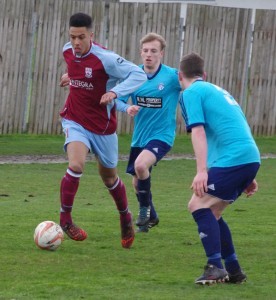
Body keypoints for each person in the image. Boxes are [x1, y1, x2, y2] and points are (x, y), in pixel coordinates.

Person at [58, 12, 147, 249]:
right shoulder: (67, 50)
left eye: (81, 37)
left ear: (91, 35)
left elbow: (138, 74)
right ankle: (65, 219)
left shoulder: (105, 58)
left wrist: (116, 93)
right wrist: (69, 77)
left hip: (103, 127)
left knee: (109, 178)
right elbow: (78, 71)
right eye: (73, 36)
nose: (76, 42)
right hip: (74, 120)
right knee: (76, 165)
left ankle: (125, 216)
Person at [178, 52, 261, 284]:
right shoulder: (217, 90)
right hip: (248, 157)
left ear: (179, 75)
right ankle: (233, 270)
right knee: (213, 212)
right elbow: (234, 126)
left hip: (235, 159)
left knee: (197, 204)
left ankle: (215, 266)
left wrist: (201, 170)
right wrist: (247, 173)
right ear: (203, 74)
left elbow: (198, 131)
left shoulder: (190, 93)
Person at [116, 33, 182, 232]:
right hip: (140, 138)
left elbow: (194, 80)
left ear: (161, 53)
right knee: (137, 182)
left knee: (140, 165)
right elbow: (117, 98)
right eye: (145, 51)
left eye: (153, 51)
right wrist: (126, 108)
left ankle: (144, 210)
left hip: (162, 135)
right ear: (140, 52)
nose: (149, 55)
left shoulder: (171, 76)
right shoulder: (135, 75)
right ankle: (151, 217)